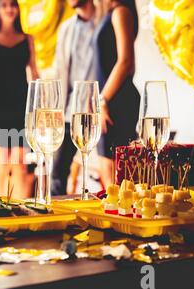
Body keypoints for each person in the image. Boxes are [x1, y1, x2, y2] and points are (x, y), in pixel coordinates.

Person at [0, 0, 39, 198]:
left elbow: (35, 74)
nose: (9, 8)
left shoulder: (28, 39)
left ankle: (18, 210)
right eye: (4, 5)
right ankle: (0, 208)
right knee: (1, 162)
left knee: (19, 163)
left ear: (18, 8)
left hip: (22, 105)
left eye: (13, 4)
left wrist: (41, 108)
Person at [51, 0, 97, 195]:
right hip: (70, 113)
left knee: (104, 172)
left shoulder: (106, 22)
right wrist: (56, 108)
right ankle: (54, 221)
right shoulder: (66, 29)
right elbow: (59, 73)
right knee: (57, 175)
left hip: (98, 113)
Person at [94, 0, 140, 186]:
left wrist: (102, 99)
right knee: (109, 171)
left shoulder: (121, 12)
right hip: (112, 100)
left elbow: (126, 62)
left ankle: (118, 214)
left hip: (116, 101)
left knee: (115, 175)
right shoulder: (112, 12)